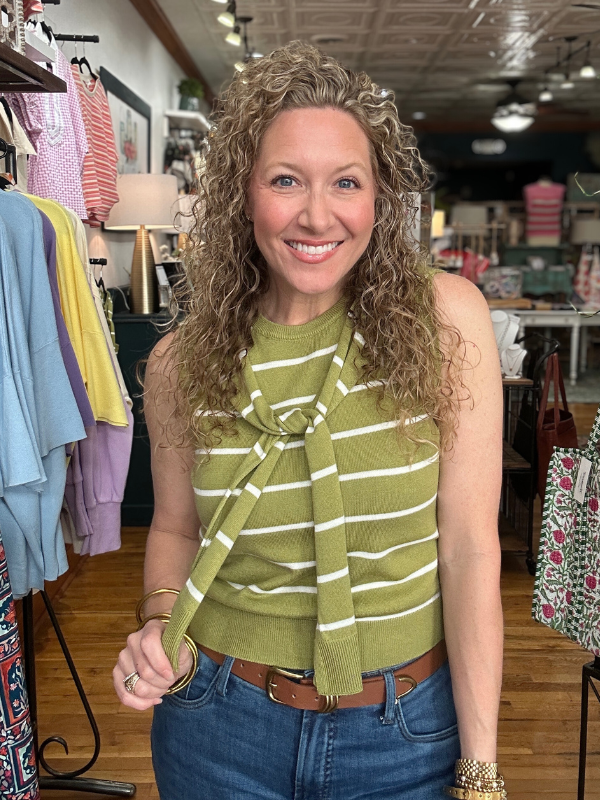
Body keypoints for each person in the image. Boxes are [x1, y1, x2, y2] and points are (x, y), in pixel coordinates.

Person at [113, 41, 505, 800]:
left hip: (405, 734)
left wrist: (482, 769)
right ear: (243, 194)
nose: (317, 214)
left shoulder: (447, 322)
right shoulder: (178, 365)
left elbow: (467, 550)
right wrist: (162, 625)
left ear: (378, 198)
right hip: (214, 728)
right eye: (286, 180)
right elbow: (175, 530)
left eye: (346, 183)